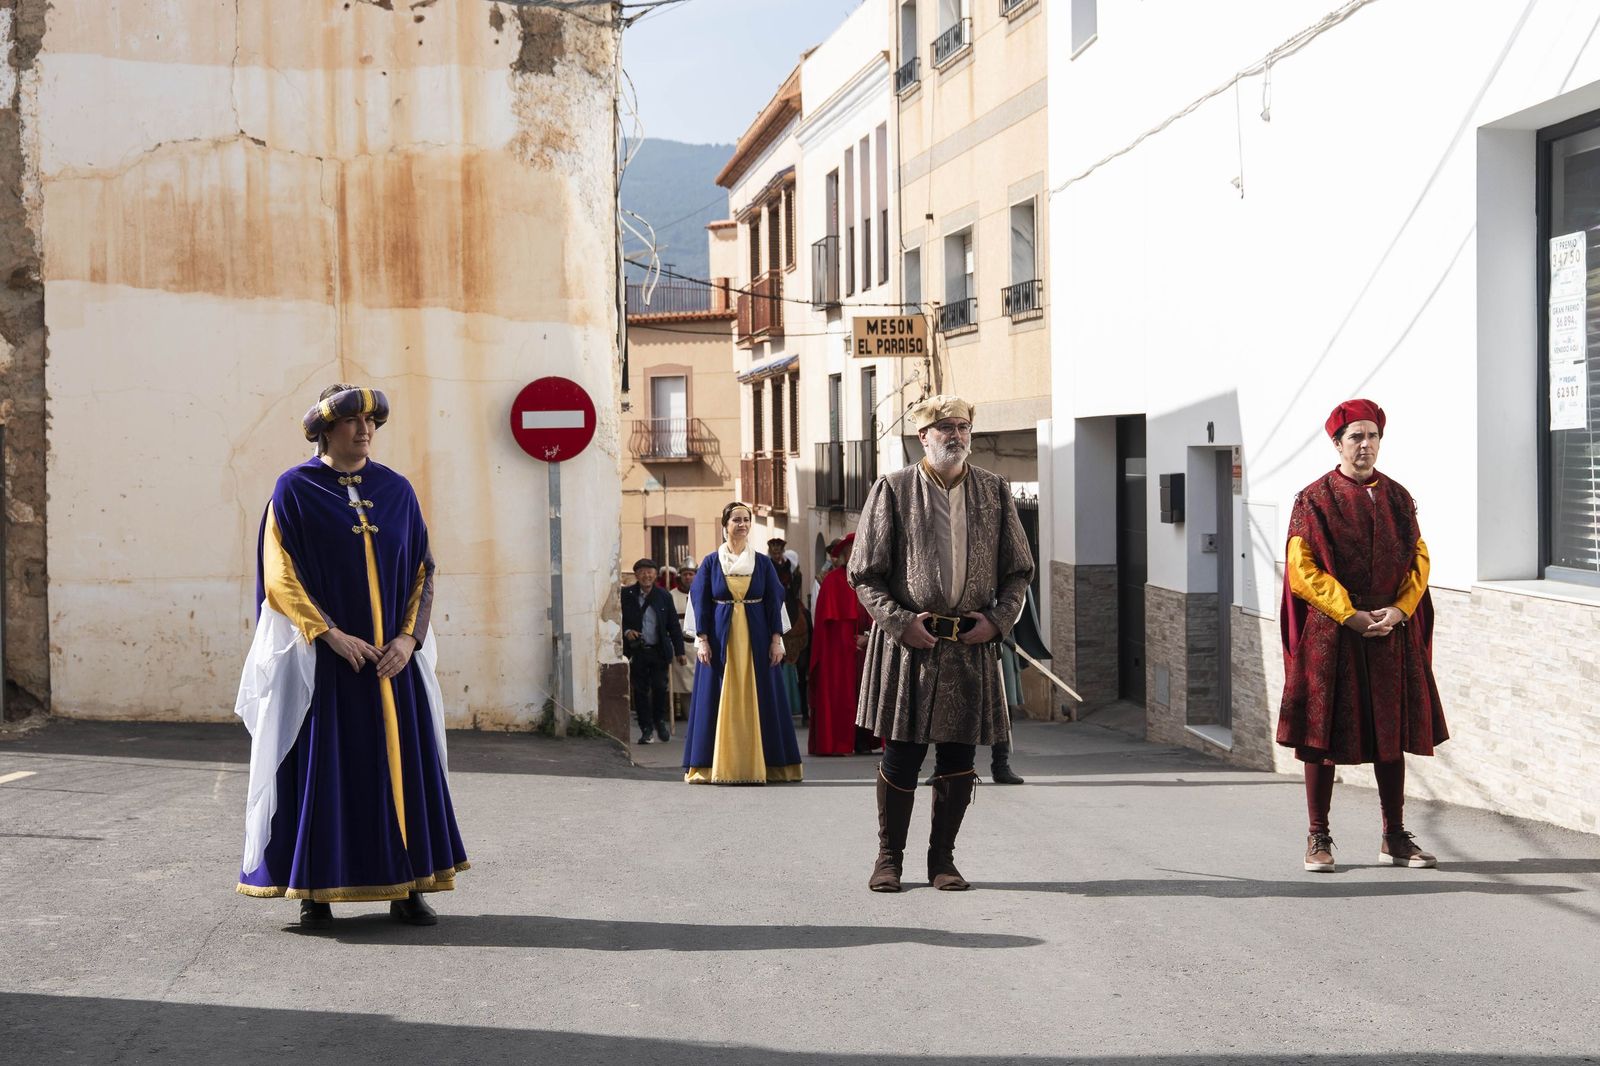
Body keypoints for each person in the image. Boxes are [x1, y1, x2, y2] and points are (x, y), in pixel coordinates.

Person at [234, 383, 468, 930]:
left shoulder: (397, 490)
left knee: (402, 771)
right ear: (324, 428)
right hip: (327, 665)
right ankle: (315, 890)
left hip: (391, 663)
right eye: (351, 422)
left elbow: (422, 571)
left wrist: (408, 640)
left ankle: (408, 886)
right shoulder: (294, 490)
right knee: (326, 773)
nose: (364, 431)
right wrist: (330, 634)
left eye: (372, 423)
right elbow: (280, 576)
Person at [851, 395, 1034, 891]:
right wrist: (898, 622)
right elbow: (863, 574)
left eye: (962, 427)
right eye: (944, 428)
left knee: (958, 759)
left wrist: (997, 622)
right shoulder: (892, 489)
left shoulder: (994, 491)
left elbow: (1019, 571)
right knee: (901, 756)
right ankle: (888, 859)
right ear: (922, 437)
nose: (955, 435)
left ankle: (942, 862)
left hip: (970, 648)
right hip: (911, 646)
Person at [1279, 398, 1448, 873]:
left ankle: (1394, 836)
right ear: (1337, 443)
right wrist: (1349, 614)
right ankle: (1318, 837)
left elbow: (1419, 560)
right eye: (1355, 436)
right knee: (1322, 734)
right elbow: (1302, 569)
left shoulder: (1398, 497)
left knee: (1390, 734)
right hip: (1333, 635)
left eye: (1372, 435)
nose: (1365, 444)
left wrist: (1398, 610)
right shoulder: (1313, 499)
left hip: (1389, 633)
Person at [682, 502, 804, 784]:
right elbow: (699, 601)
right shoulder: (712, 562)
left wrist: (776, 640)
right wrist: (702, 640)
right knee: (714, 696)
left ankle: (772, 766)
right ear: (725, 525)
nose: (743, 524)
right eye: (736, 519)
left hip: (757, 639)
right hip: (719, 639)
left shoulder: (761, 562)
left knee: (764, 697)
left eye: (746, 519)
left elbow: (774, 601)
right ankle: (709, 767)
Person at [808, 533, 877, 756]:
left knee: (869, 693)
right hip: (840, 654)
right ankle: (840, 740)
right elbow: (826, 629)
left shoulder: (874, 581)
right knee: (842, 695)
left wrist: (869, 638)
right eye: (851, 551)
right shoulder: (832, 582)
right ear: (845, 555)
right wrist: (847, 643)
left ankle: (865, 740)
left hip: (868, 648)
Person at [621, 558, 687, 744]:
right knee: (641, 691)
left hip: (659, 650)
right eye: (642, 572)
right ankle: (646, 728)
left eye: (649, 571)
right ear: (636, 575)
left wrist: (680, 651)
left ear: (655, 574)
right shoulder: (626, 595)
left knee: (660, 688)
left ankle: (660, 721)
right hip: (638, 651)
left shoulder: (664, 596)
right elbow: (619, 618)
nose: (646, 575)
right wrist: (627, 631)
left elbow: (673, 625)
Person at [667, 567, 697, 718]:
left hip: (701, 646)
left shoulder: (704, 593)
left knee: (701, 684)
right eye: (685, 574)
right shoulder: (671, 595)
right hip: (682, 645)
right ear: (680, 576)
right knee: (685, 685)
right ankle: (689, 716)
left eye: (691, 574)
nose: (688, 577)